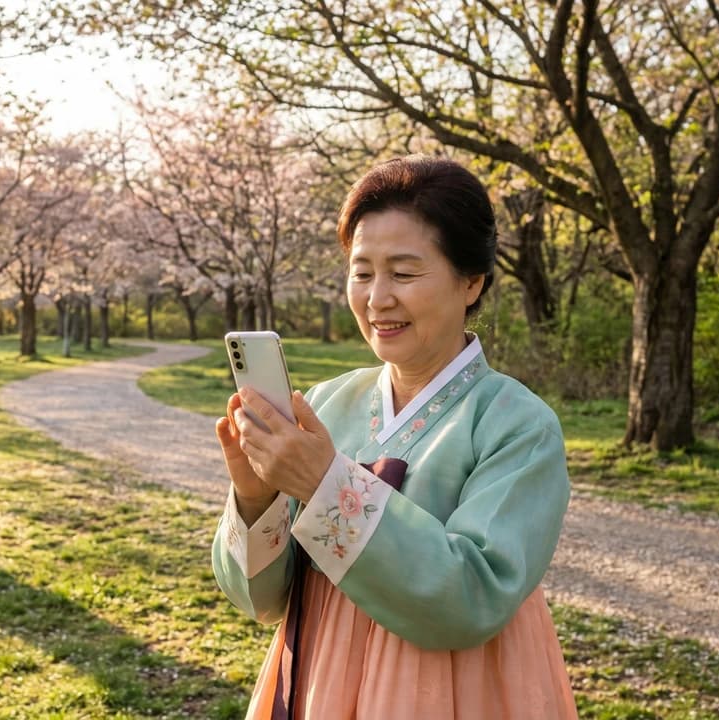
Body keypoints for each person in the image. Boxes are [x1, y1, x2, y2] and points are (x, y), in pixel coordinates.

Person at [212, 156, 578, 719]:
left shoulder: (517, 425)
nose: (377, 298)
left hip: (455, 689)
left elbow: (473, 598)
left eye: (404, 273)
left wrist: (325, 484)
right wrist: (256, 498)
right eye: (362, 272)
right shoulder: (328, 403)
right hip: (322, 677)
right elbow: (261, 600)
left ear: (471, 281)